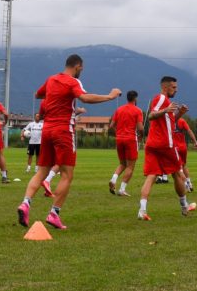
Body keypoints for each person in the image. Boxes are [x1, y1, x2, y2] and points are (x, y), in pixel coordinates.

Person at [17, 54, 121, 230]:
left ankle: (25, 203)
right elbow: (85, 98)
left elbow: (38, 94)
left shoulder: (51, 79)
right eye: (82, 69)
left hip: (47, 130)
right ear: (78, 67)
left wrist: (56, 98)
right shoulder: (73, 81)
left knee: (42, 171)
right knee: (67, 174)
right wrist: (110, 96)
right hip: (63, 130)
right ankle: (54, 214)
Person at [137, 76, 194, 221]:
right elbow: (151, 115)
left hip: (152, 144)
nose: (176, 89)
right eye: (174, 87)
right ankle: (184, 206)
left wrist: (179, 113)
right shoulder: (161, 98)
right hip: (165, 144)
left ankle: (142, 210)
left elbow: (169, 121)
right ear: (165, 87)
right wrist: (166, 109)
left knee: (151, 176)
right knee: (177, 174)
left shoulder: (165, 101)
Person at [109, 90, 144, 196]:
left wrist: (118, 131)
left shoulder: (119, 109)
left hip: (119, 139)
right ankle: (122, 189)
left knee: (123, 163)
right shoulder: (137, 110)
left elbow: (111, 125)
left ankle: (113, 179)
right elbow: (140, 128)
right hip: (131, 139)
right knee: (130, 166)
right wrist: (141, 135)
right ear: (135, 98)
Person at [174, 117, 197, 193]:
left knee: (178, 168)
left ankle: (186, 184)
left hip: (175, 148)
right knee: (184, 165)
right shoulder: (182, 120)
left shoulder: (169, 120)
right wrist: (195, 142)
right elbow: (189, 131)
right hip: (183, 147)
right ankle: (190, 183)